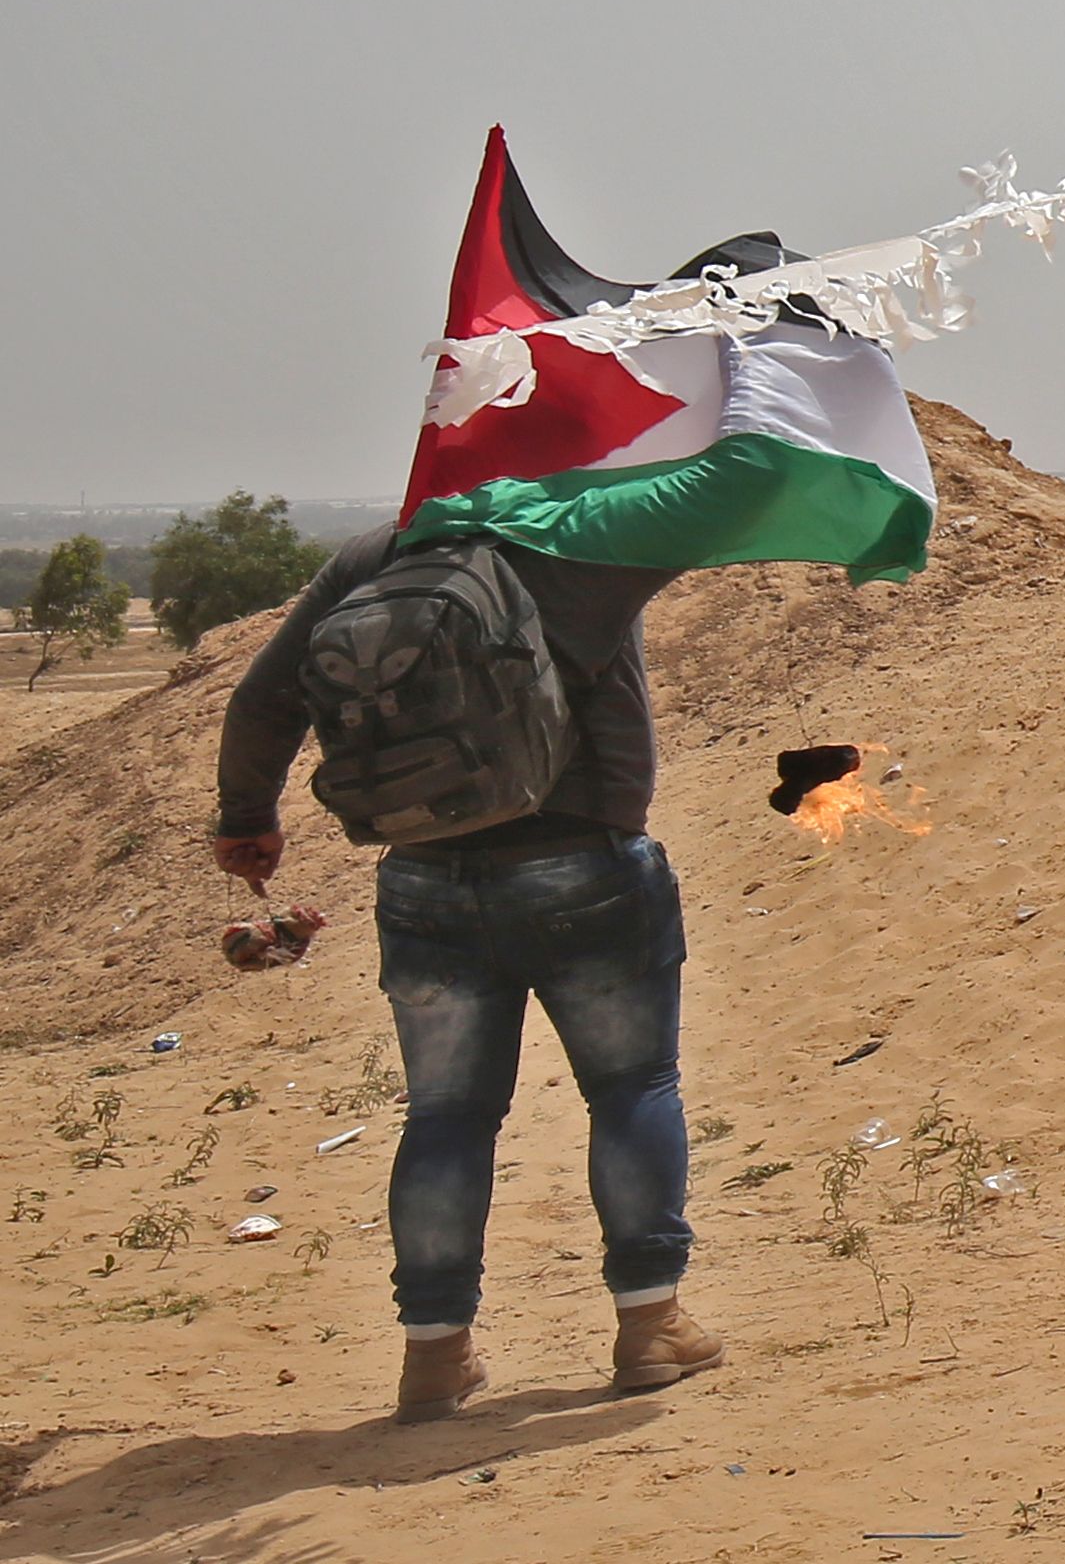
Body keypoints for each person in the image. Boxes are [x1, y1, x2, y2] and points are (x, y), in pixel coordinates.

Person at [212, 529, 722, 1423]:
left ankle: (435, 1355)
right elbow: (724, 516)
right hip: (586, 864)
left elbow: (263, 702)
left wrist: (247, 815)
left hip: (423, 874)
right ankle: (651, 1324)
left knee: (447, 1115)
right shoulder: (581, 538)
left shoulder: (374, 556)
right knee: (632, 1087)